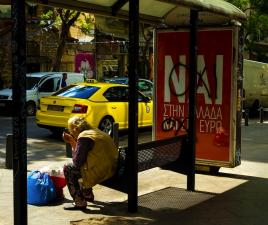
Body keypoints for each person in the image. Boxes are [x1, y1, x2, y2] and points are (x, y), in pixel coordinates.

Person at [62, 116, 118, 210]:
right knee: (84, 164)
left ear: (76, 128)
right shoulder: (96, 131)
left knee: (69, 168)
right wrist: (73, 141)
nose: (71, 133)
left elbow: (77, 162)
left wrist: (71, 141)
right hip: (113, 168)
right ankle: (87, 194)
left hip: (102, 172)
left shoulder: (84, 137)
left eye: (71, 130)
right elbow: (83, 156)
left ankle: (79, 202)